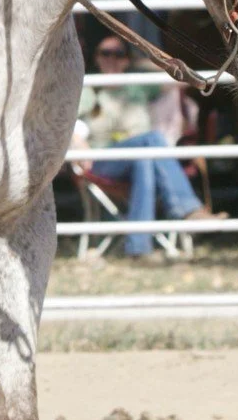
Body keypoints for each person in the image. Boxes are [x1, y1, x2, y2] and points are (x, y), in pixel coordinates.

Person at [73, 37, 221, 259]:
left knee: (144, 158)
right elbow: (66, 118)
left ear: (127, 60)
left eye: (119, 54)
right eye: (105, 54)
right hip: (103, 161)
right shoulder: (90, 88)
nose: (111, 59)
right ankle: (188, 209)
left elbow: (182, 79)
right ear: (96, 58)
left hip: (142, 157)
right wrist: (77, 140)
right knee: (152, 139)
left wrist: (141, 61)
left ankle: (138, 248)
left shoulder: (138, 85)